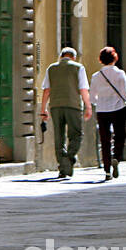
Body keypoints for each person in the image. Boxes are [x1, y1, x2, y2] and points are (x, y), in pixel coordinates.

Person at [39, 47, 91, 179]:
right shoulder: (78, 68)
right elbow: (83, 89)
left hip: (55, 106)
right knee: (76, 134)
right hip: (73, 106)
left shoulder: (51, 68)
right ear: (73, 57)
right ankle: (69, 158)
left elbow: (46, 90)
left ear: (61, 56)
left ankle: (63, 166)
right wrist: (88, 106)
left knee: (59, 136)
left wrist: (43, 108)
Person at [90, 46, 126, 181]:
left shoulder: (96, 76)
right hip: (118, 109)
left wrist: (101, 100)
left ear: (101, 60)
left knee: (104, 139)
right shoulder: (120, 74)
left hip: (102, 110)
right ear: (115, 58)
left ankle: (107, 170)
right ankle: (116, 157)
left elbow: (92, 97)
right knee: (120, 136)